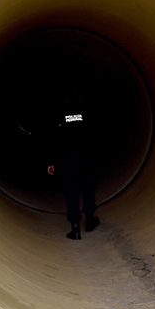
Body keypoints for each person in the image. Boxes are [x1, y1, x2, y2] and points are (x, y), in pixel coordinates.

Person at [46, 89, 100, 240]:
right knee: (89, 190)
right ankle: (89, 221)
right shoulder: (89, 113)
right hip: (87, 160)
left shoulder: (59, 115)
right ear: (81, 99)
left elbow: (54, 139)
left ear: (66, 100)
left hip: (67, 161)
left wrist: (51, 161)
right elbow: (97, 135)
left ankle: (75, 229)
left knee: (72, 194)